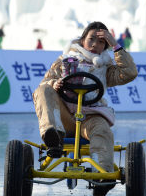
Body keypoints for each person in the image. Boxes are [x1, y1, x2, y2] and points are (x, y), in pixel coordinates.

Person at [33, 21, 137, 196]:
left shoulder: (105, 67)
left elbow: (130, 73)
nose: (95, 45)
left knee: (103, 132)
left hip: (91, 116)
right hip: (65, 117)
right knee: (43, 90)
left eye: (101, 42)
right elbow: (43, 86)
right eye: (92, 39)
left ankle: (103, 177)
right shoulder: (64, 61)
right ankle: (53, 137)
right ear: (82, 40)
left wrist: (115, 44)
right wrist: (55, 83)